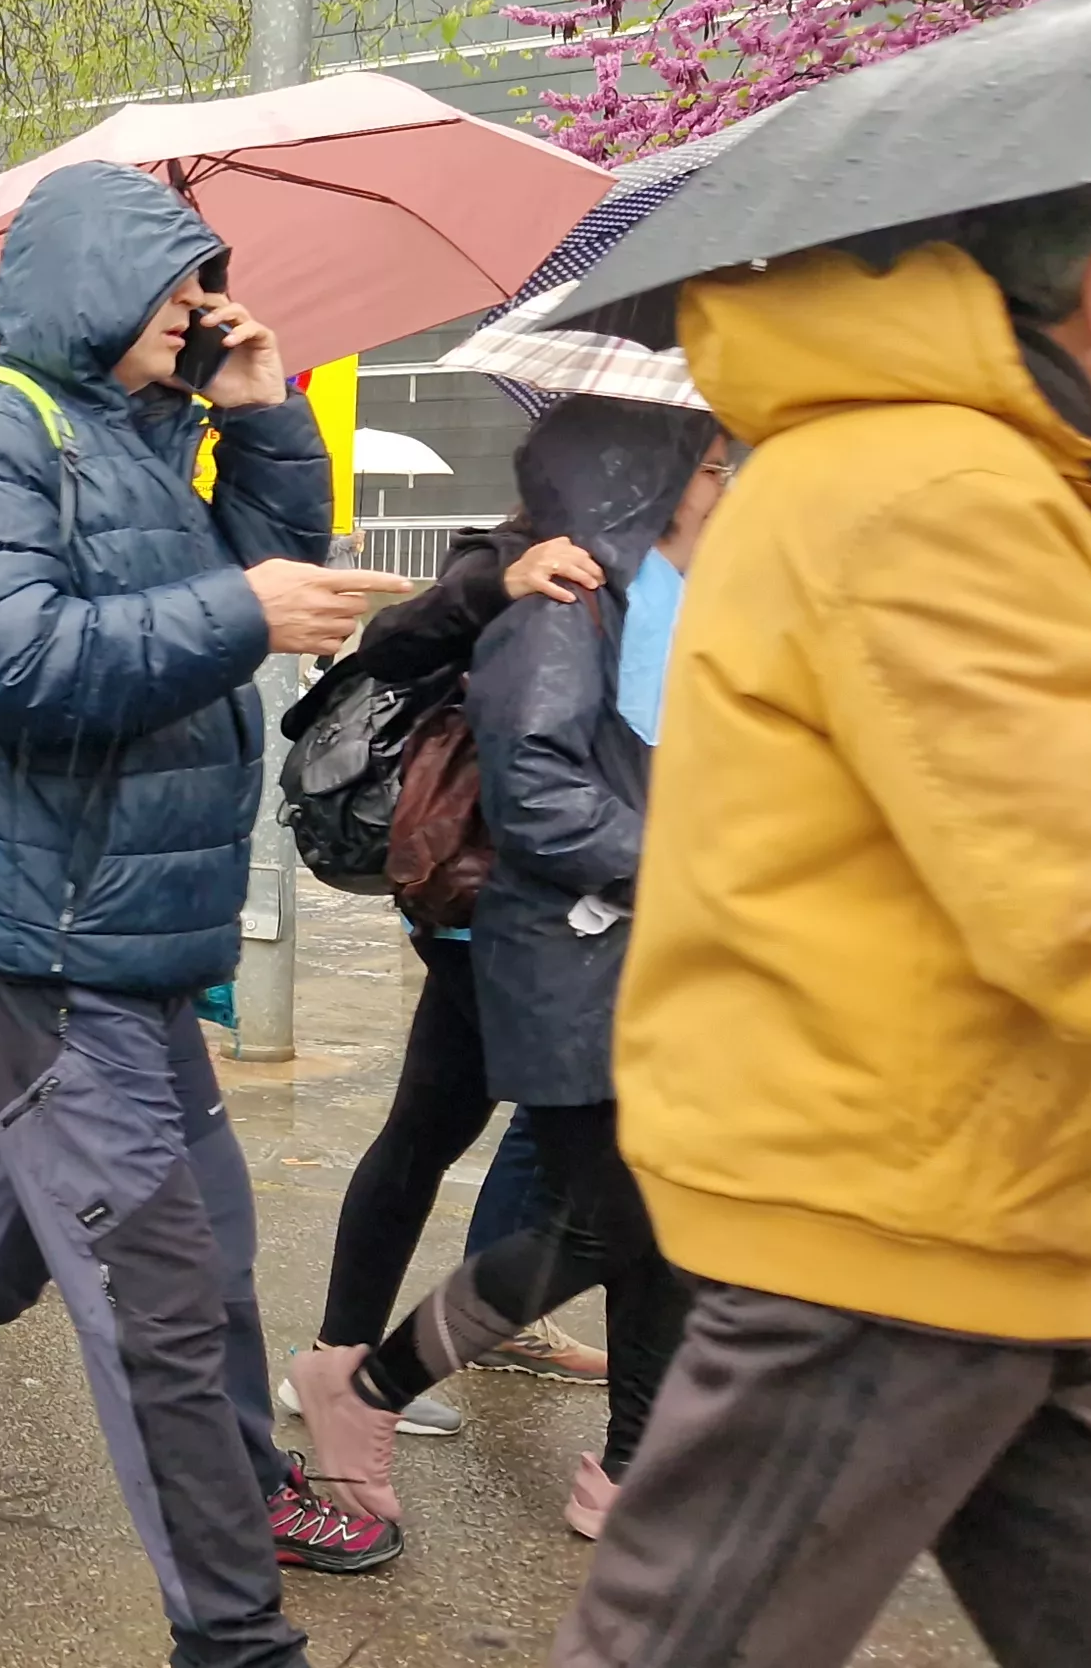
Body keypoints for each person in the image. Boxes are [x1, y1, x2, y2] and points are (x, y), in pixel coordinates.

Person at [557, 171, 1091, 1663]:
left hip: (967, 1194)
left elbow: (970, 812)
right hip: (890, 1210)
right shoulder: (945, 492)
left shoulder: (953, 478)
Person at [0, 161, 401, 1658]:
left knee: (37, 1228)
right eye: (180, 281)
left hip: (122, 929)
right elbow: (2, 653)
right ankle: (235, 1630)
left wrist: (264, 409)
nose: (197, 305)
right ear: (103, 280)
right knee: (163, 1283)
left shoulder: (147, 434)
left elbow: (267, 577)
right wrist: (244, 612)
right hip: (51, 934)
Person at [288, 401, 725, 1548]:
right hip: (500, 910)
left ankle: (616, 1461)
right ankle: (358, 1372)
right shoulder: (538, 560)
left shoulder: (670, 577)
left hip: (589, 926)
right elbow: (403, 664)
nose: (726, 483)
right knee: (597, 1202)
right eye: (712, 462)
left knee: (571, 1181)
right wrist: (500, 584)